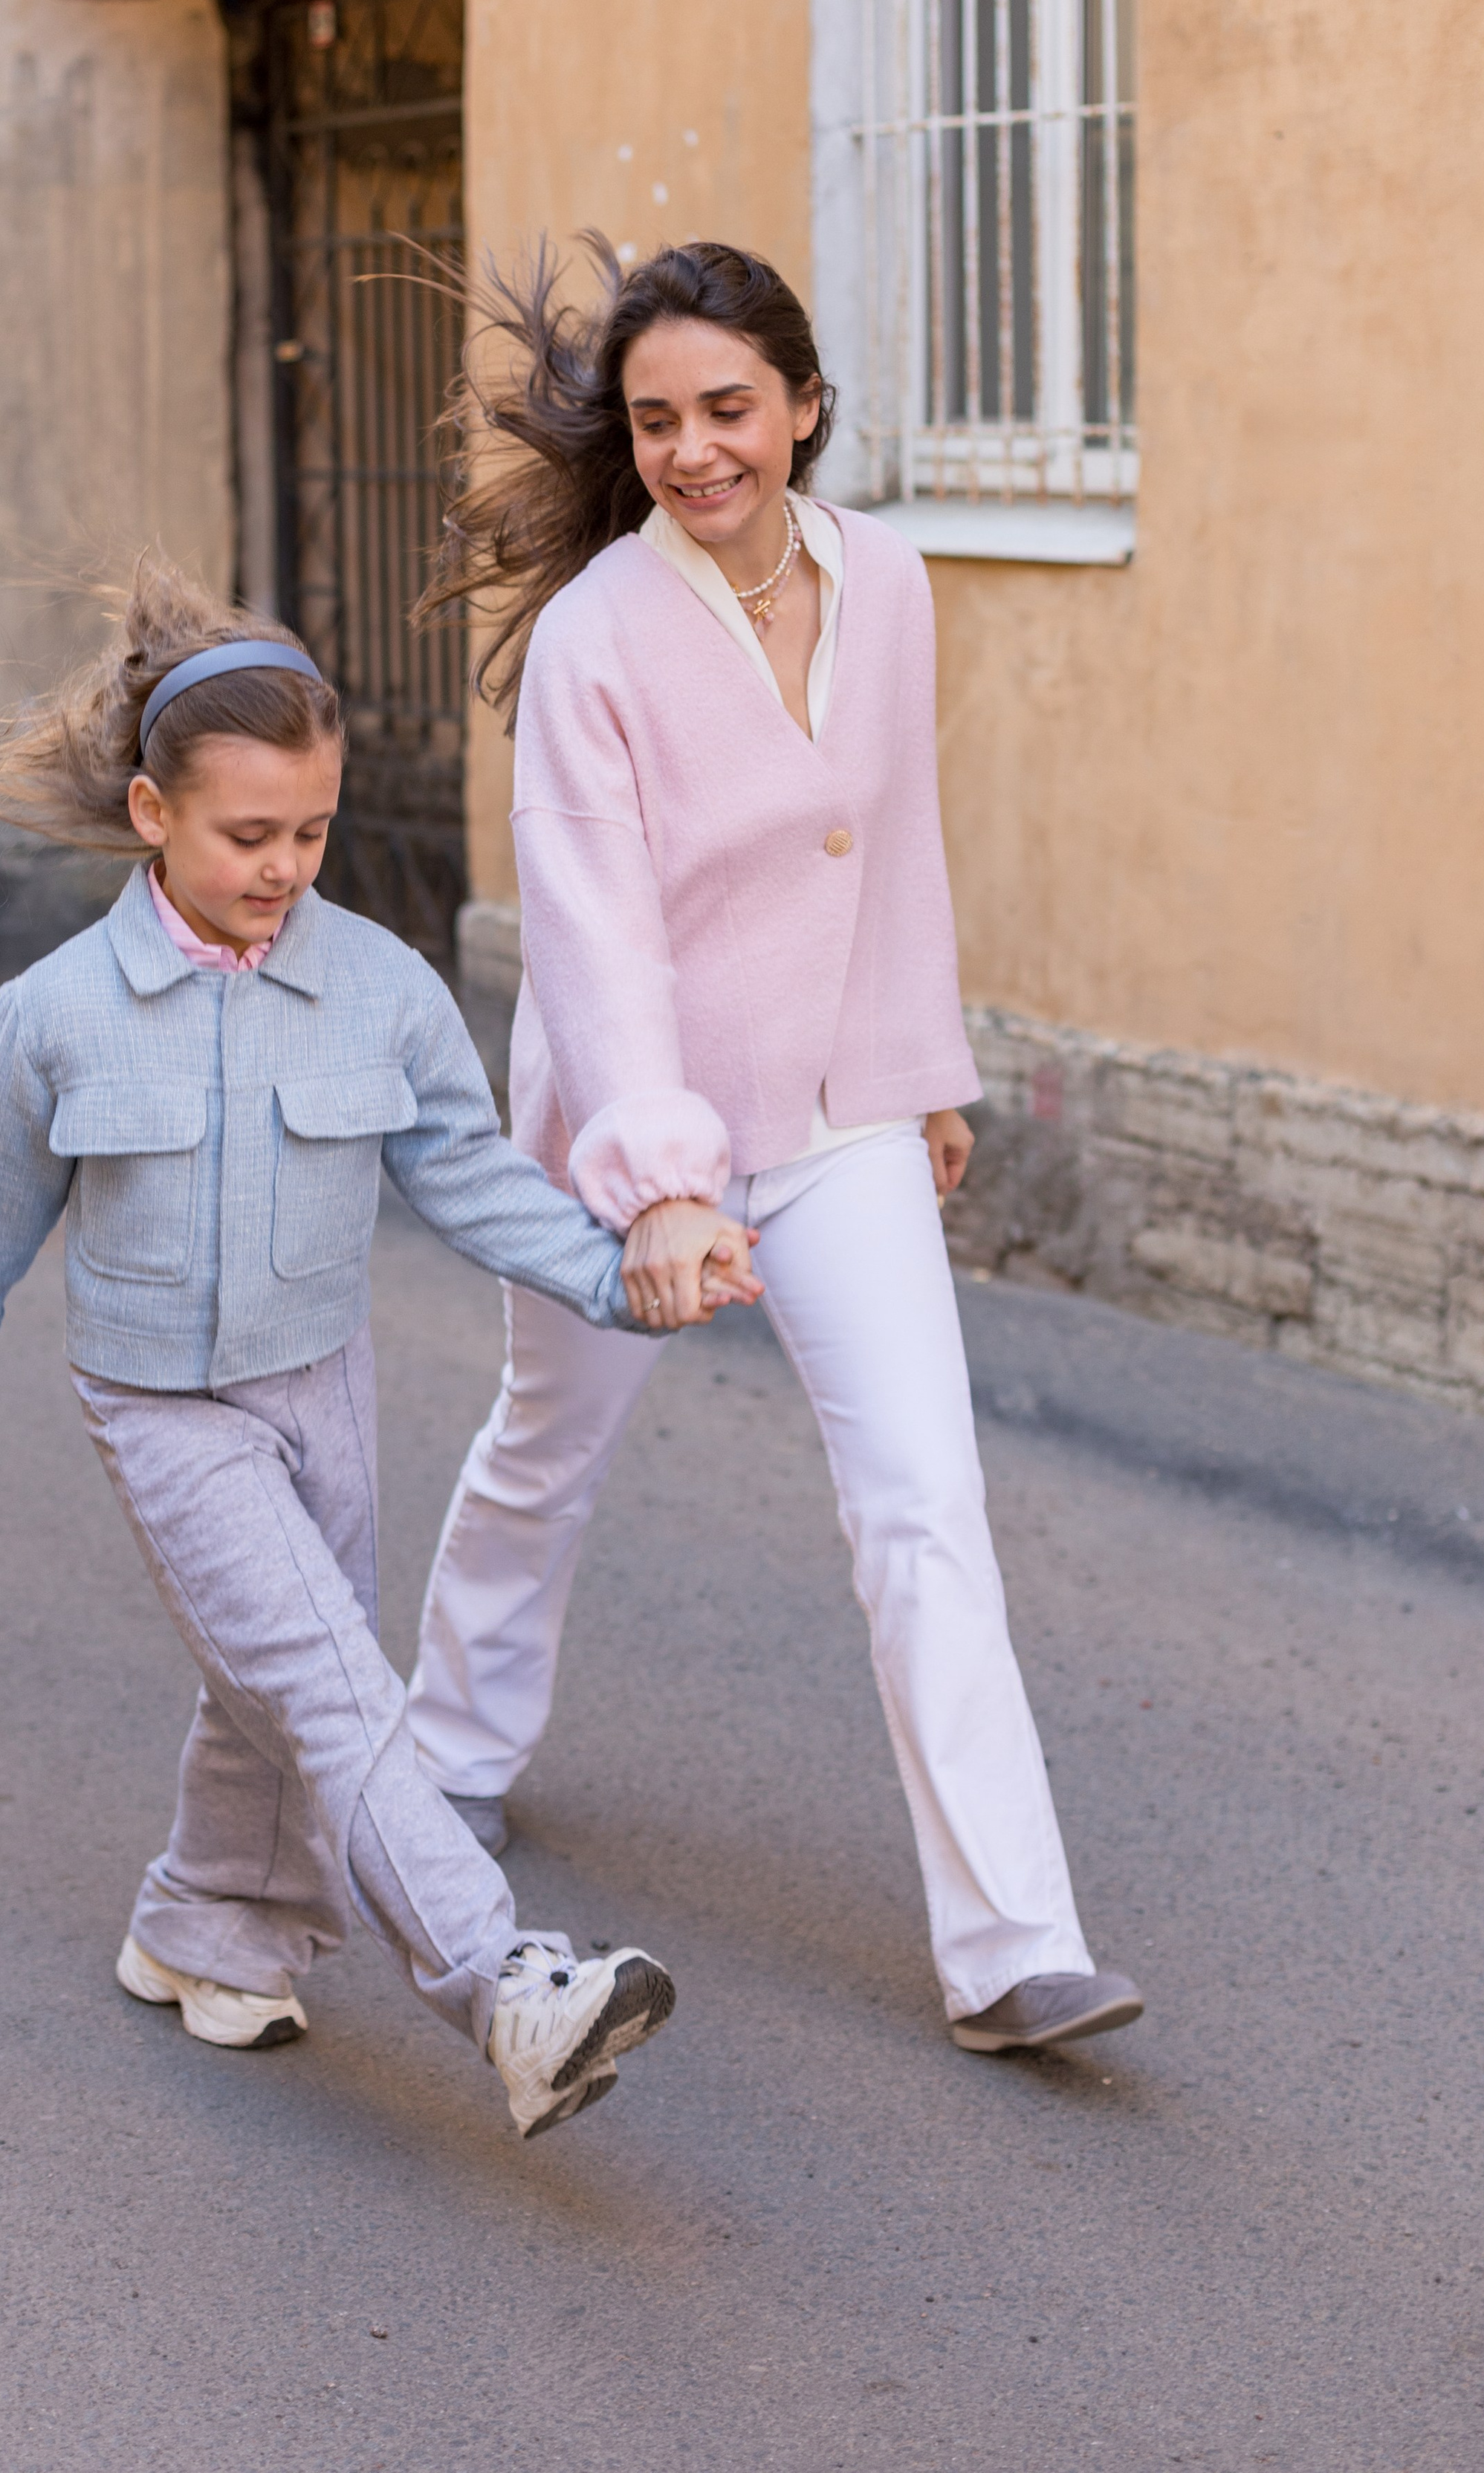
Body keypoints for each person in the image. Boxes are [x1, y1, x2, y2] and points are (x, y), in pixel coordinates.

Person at [0, 555, 760, 2136]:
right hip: (162, 1407)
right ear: (152, 814)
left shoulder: (378, 989)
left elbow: (472, 1178)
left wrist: (616, 1275)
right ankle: (507, 1986)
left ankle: (203, 1930)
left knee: (275, 1689)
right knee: (336, 1686)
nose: (285, 864)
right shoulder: (55, 1014)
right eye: (247, 836)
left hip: (323, 1389)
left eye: (310, 831)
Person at [405, 240, 1141, 2055]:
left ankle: (1009, 1948)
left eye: (726, 408)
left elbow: (891, 841)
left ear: (803, 407)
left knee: (921, 1503)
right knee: (542, 1446)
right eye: (655, 419)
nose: (690, 450)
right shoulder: (593, 637)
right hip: (622, 1126)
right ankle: (446, 1750)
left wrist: (920, 1067)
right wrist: (658, 1180)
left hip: (835, 1117)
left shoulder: (883, 580)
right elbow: (592, 932)